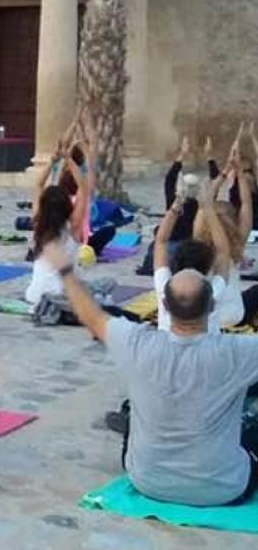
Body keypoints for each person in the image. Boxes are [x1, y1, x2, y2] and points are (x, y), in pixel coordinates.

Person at [48, 239, 258, 507]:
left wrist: (65, 271)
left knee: (137, 409)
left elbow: (91, 315)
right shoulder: (238, 352)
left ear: (165, 307)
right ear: (212, 306)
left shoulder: (136, 342)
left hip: (147, 480)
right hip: (221, 487)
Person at [25, 131, 94, 305]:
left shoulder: (38, 223)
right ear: (67, 205)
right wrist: (68, 159)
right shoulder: (73, 226)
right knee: (104, 286)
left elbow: (38, 185)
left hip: (34, 295)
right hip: (61, 296)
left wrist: (53, 161)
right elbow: (84, 188)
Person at [194, 146, 255, 329]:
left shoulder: (199, 241)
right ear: (234, 220)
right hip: (234, 314)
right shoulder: (238, 243)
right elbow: (246, 203)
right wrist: (239, 173)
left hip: (205, 316)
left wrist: (223, 174)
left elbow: (205, 203)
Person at [152, 199, 227, 333]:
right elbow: (223, 249)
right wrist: (207, 207)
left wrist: (176, 205)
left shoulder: (165, 287)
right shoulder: (214, 291)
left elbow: (161, 241)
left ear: (166, 304)